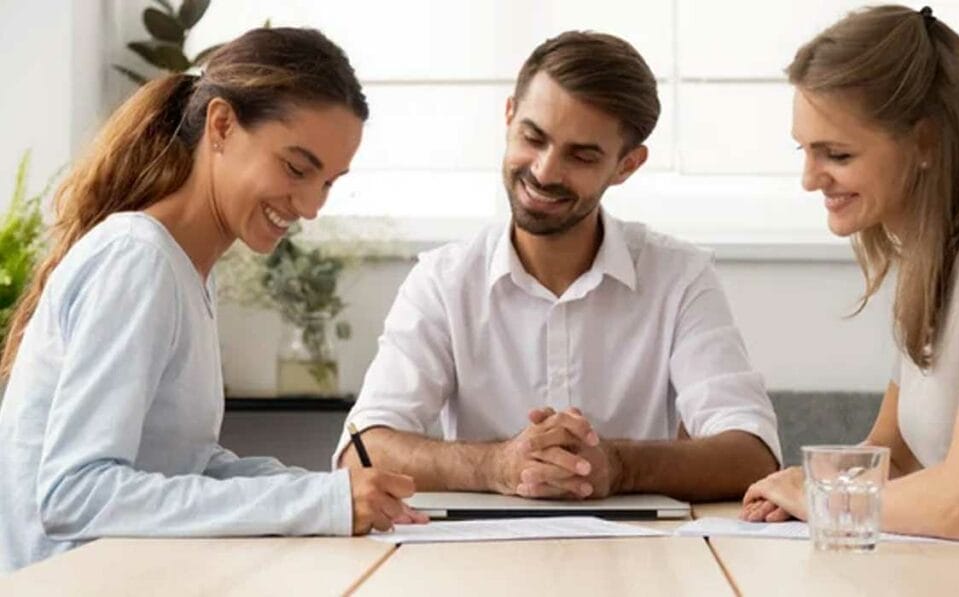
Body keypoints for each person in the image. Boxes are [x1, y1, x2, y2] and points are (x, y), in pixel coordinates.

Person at [0, 27, 425, 574]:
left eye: (328, 182)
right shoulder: (139, 259)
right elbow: (75, 493)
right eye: (297, 168)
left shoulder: (185, 269)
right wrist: (322, 503)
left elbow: (184, 466)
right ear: (221, 125)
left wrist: (326, 490)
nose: (311, 206)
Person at [334, 31, 781, 502]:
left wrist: (619, 466)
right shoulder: (443, 282)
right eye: (533, 137)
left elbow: (753, 455)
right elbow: (359, 452)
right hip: (471, 560)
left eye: (581, 155)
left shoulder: (680, 277)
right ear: (509, 117)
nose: (545, 172)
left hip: (638, 561)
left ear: (626, 165)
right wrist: (497, 466)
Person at [741, 5, 959, 543]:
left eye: (837, 154)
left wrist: (818, 496)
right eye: (805, 151)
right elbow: (892, 459)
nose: (809, 179)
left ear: (925, 142)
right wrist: (800, 490)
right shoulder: (923, 260)